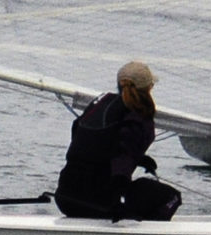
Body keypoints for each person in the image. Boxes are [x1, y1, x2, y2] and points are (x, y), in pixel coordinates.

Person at [55, 60, 181, 222]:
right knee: (172, 197)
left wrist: (140, 159)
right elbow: (123, 157)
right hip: (99, 204)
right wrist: (117, 206)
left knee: (138, 190)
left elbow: (88, 142)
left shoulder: (101, 102)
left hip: (65, 198)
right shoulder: (138, 114)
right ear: (149, 88)